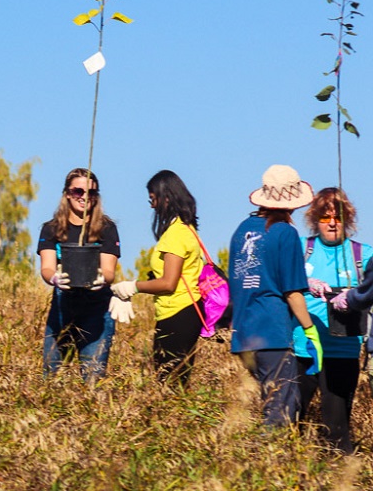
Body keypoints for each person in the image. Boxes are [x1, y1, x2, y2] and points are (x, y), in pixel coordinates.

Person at [225, 164, 323, 427]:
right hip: (272, 333)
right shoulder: (285, 232)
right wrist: (310, 328)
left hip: (244, 335)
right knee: (281, 411)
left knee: (267, 405)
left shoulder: (241, 230)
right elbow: (292, 291)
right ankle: (268, 462)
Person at [295, 188, 371, 453]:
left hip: (343, 350)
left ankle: (341, 479)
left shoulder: (363, 254)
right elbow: (280, 282)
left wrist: (353, 296)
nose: (331, 222)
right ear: (315, 219)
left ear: (347, 219)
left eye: (337, 217)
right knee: (290, 423)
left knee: (337, 432)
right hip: (302, 348)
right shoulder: (302, 249)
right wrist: (305, 283)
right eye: (324, 217)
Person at [113, 170, 203, 386]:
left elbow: (168, 283)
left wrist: (131, 287)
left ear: (166, 197)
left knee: (169, 383)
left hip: (178, 312)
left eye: (153, 199)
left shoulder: (175, 234)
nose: (151, 205)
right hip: (179, 312)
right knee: (173, 382)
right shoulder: (184, 229)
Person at [37, 168, 119, 383]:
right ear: (67, 193)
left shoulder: (107, 229)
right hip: (63, 309)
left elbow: (109, 270)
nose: (84, 197)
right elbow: (46, 267)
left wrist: (102, 278)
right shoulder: (51, 229)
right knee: (51, 377)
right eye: (78, 191)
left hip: (97, 310)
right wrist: (55, 278)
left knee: (93, 379)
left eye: (91, 193)